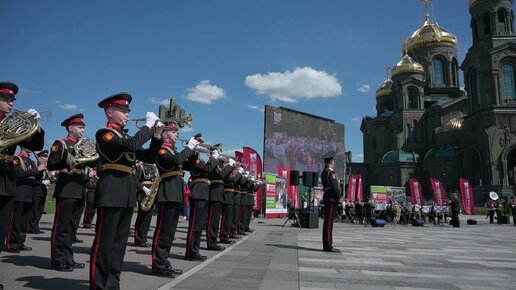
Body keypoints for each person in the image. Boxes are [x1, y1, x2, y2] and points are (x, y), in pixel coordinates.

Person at [89, 93, 163, 290]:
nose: (127, 115)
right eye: (123, 111)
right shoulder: (105, 133)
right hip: (111, 189)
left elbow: (148, 157)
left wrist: (156, 137)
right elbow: (132, 145)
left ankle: (112, 283)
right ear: (110, 111)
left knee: (119, 244)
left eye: (128, 111)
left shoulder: (126, 136)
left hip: (127, 191)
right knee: (105, 242)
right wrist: (148, 127)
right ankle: (98, 285)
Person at [0, 81, 44, 290]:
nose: (10, 103)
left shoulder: (13, 125)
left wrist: (37, 126)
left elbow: (35, 145)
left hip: (7, 181)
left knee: (0, 232)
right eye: (6, 99)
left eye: (12, 100)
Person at [151, 122, 197, 277]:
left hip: (175, 193)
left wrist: (194, 152)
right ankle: (158, 264)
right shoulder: (162, 149)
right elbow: (176, 160)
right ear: (164, 133)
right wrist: (189, 148)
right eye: (173, 131)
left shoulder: (172, 150)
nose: (177, 134)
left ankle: (164, 261)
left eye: (177, 132)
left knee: (170, 232)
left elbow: (188, 167)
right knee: (162, 231)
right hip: (167, 192)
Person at [48, 113, 89, 272]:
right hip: (66, 188)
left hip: (79, 188)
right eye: (80, 127)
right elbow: (51, 164)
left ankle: (68, 258)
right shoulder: (61, 143)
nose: (83, 130)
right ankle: (58, 259)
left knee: (72, 228)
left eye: (83, 127)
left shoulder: (83, 145)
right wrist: (68, 161)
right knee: (61, 227)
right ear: (70, 128)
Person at [183, 134, 219, 261]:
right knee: (195, 225)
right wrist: (214, 158)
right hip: (198, 192)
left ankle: (194, 251)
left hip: (203, 192)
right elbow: (208, 169)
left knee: (199, 225)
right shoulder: (195, 160)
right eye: (199, 144)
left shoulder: (199, 159)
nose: (202, 146)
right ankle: (191, 252)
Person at [5, 147, 44, 252]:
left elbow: (37, 177)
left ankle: (20, 242)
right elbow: (18, 174)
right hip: (20, 192)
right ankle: (11, 244)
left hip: (29, 193)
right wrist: (36, 170)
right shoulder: (17, 158)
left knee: (24, 222)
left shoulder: (31, 160)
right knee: (15, 221)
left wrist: (41, 169)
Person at [206, 147, 234, 251]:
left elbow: (224, 176)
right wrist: (229, 165)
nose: (220, 154)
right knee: (212, 220)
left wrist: (229, 166)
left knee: (216, 220)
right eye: (218, 152)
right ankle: (211, 242)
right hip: (214, 193)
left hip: (219, 193)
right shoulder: (212, 164)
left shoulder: (217, 166)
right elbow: (221, 174)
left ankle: (214, 241)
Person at [133, 162, 158, 247]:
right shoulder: (140, 166)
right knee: (141, 217)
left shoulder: (153, 168)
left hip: (151, 193)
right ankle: (138, 239)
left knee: (148, 218)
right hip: (143, 192)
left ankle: (144, 238)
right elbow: (134, 179)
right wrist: (143, 188)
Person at [320, 151, 341, 252]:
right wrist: (339, 198)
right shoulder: (331, 172)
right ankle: (328, 245)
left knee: (327, 223)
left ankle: (327, 245)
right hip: (332, 199)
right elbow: (335, 188)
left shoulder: (324, 172)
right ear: (331, 161)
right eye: (334, 160)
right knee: (329, 224)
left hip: (327, 198)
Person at [29, 150, 52, 234]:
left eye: (46, 156)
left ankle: (35, 227)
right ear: (39, 157)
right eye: (43, 156)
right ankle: (31, 227)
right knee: (34, 210)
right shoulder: (35, 166)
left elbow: (50, 178)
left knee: (39, 210)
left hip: (43, 190)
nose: (45, 158)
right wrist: (41, 182)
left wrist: (50, 180)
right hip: (36, 189)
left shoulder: (46, 168)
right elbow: (31, 179)